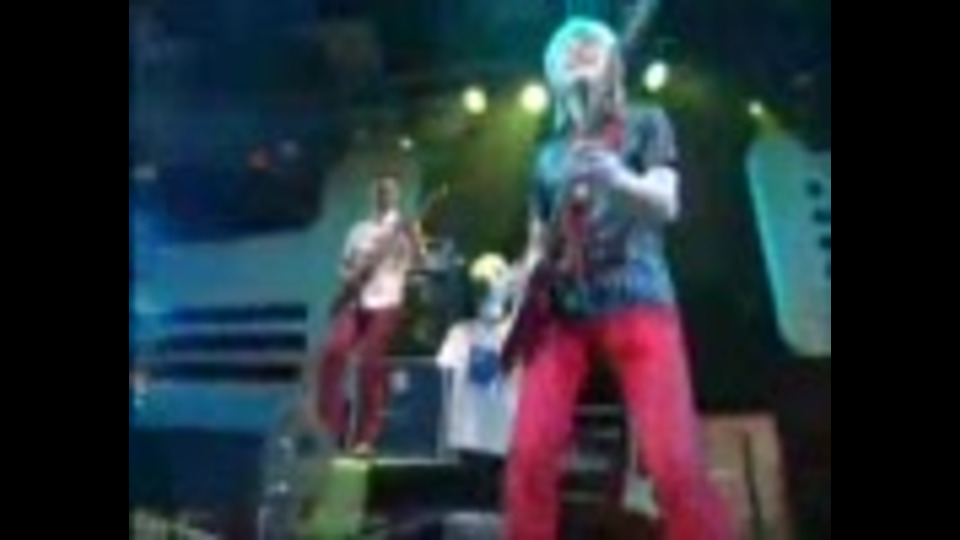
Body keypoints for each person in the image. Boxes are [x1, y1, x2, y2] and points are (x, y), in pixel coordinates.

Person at [503, 17, 737, 540]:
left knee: (674, 462)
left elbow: (667, 202)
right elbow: (537, 239)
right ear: (551, 72)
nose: (579, 48)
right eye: (567, 46)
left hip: (638, 297)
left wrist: (616, 177)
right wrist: (517, 281)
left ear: (614, 66)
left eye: (592, 43)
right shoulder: (546, 156)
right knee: (528, 455)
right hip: (561, 312)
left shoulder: (647, 121)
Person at [315, 176, 424, 456]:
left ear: (397, 196)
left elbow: (419, 263)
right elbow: (345, 267)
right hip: (357, 302)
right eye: (380, 191)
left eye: (390, 191)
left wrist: (413, 237)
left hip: (388, 301)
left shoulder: (404, 228)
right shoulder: (358, 230)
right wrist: (352, 276)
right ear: (373, 196)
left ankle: (366, 438)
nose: (385, 195)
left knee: (369, 361)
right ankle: (329, 429)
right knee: (333, 353)